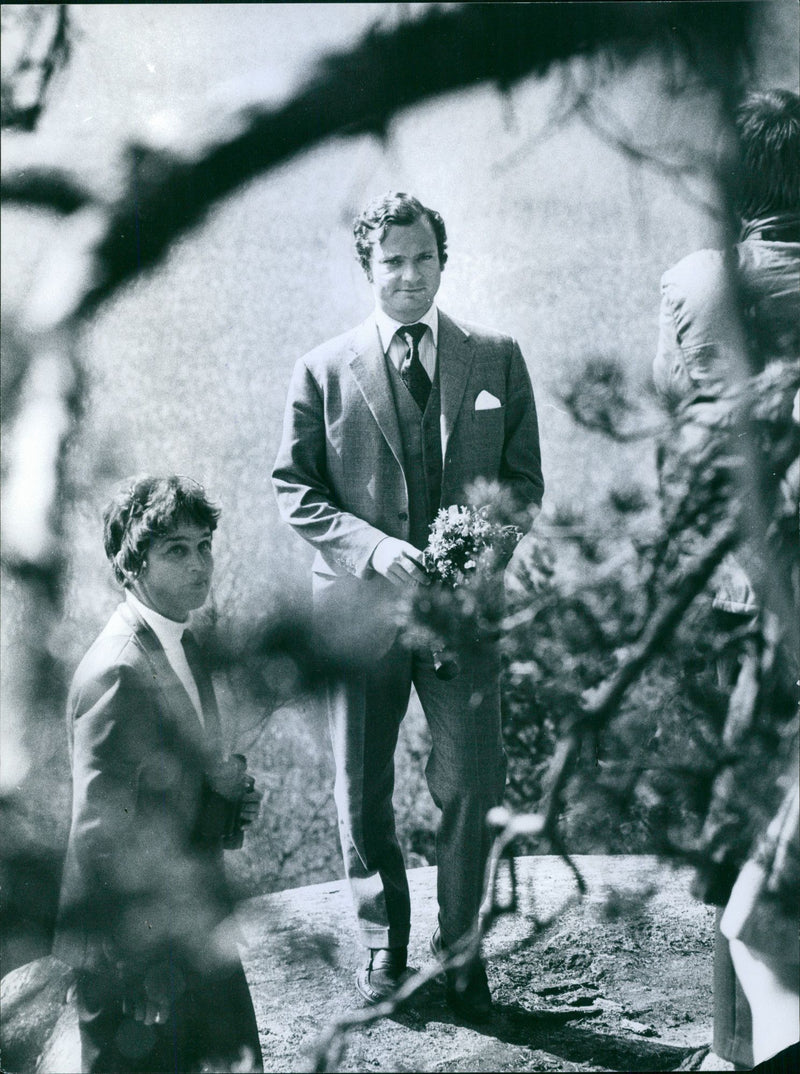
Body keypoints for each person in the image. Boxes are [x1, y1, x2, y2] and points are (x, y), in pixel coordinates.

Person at [272, 192, 543, 1020]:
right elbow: (294, 488)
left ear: (442, 261)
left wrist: (475, 556)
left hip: (461, 618)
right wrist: (376, 548)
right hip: (357, 614)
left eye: (422, 257)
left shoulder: (494, 358)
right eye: (392, 261)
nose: (409, 274)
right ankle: (384, 944)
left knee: (471, 778)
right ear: (368, 269)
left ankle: (461, 952)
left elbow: (524, 484)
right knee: (363, 785)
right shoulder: (323, 369)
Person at [653, 89, 800, 1070]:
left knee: (729, 839)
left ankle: (726, 1049)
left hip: (730, 601)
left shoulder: (693, 285)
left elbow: (669, 454)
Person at [53, 476, 264, 1073]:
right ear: (131, 564)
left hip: (191, 923)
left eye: (204, 545)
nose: (200, 564)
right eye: (177, 550)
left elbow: (162, 795)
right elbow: (98, 835)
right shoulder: (118, 670)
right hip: (136, 952)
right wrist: (136, 968)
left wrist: (224, 802)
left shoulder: (180, 641)